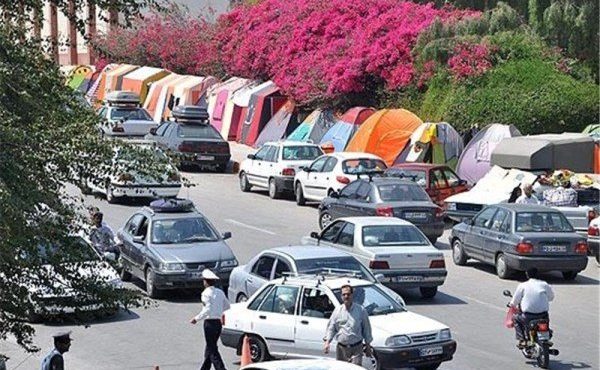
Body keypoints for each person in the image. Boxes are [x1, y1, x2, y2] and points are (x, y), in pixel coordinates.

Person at [190, 269, 230, 370]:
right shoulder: (220, 292)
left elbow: (207, 309)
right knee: (210, 346)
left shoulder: (205, 293)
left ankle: (221, 368)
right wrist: (218, 310)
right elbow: (227, 306)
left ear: (206, 282)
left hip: (209, 324)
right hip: (218, 323)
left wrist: (196, 318)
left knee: (212, 349)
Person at [324, 285, 373, 365]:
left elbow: (366, 329)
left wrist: (368, 346)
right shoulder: (337, 311)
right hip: (341, 349)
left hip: (356, 348)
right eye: (344, 294)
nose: (346, 296)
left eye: (348, 294)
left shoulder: (361, 310)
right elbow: (331, 328)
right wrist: (327, 342)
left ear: (352, 295)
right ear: (341, 296)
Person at [510, 268, 554, 347]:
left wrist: (511, 304)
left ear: (527, 275)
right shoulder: (544, 284)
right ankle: (546, 338)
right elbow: (551, 297)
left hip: (528, 317)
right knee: (545, 326)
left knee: (515, 318)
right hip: (543, 316)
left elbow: (514, 301)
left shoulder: (523, 285)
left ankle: (522, 340)